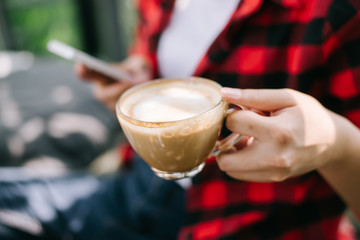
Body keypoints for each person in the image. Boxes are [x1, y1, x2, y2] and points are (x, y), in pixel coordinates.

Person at [0, 0, 359, 239]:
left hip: (252, 225)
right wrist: (140, 73)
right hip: (140, 189)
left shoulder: (338, 12)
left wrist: (335, 143)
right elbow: (154, 51)